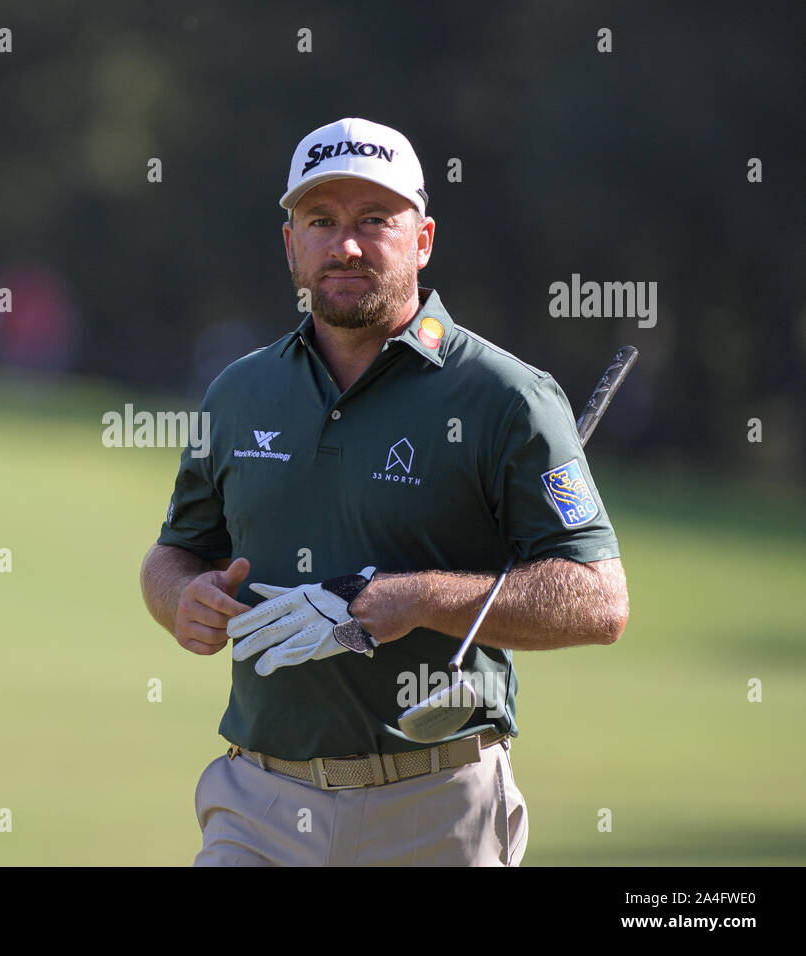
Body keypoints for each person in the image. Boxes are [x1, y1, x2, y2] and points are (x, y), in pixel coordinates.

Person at [139, 117, 629, 867]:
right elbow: (175, 553)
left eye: (375, 220)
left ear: (423, 240)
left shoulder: (506, 397)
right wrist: (183, 598)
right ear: (291, 244)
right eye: (322, 222)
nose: (347, 245)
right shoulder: (239, 393)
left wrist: (423, 598)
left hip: (435, 811)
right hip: (259, 805)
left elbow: (600, 601)